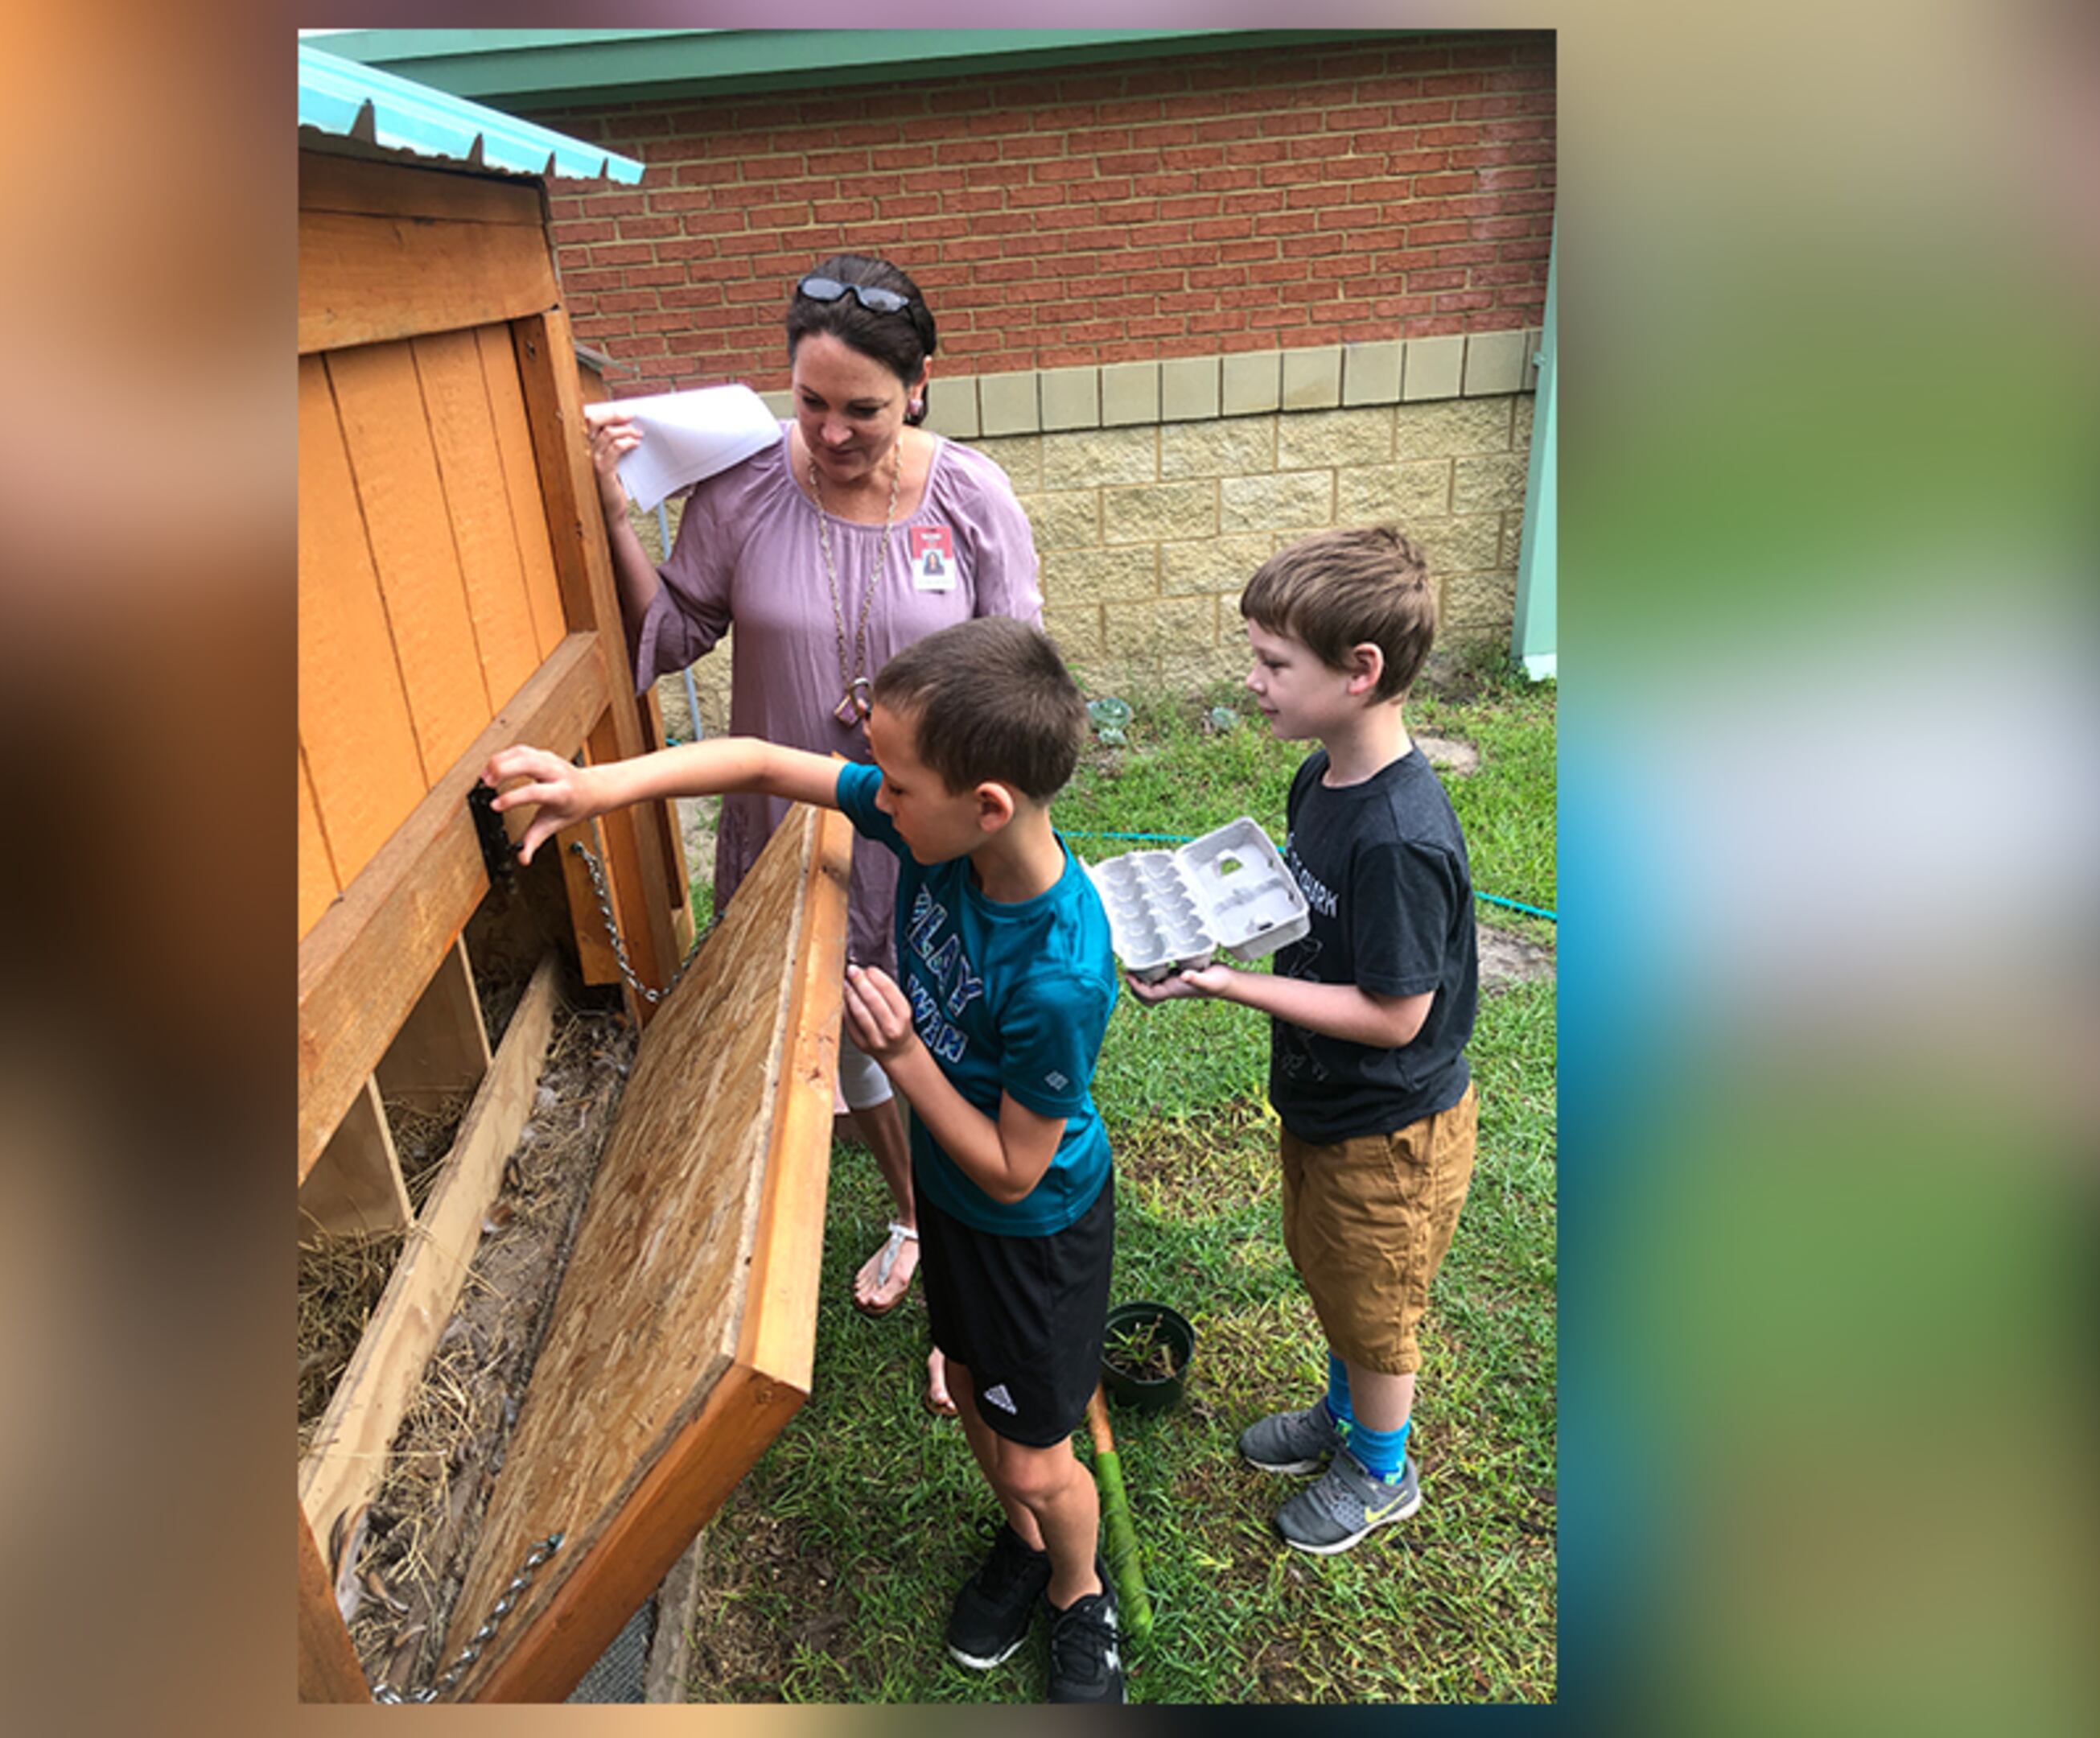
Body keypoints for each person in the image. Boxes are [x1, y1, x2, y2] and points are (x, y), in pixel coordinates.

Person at [483, 619, 1126, 1702]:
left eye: (898, 781)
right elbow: (765, 761)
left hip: (1036, 1231)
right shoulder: (943, 823)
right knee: (970, 1393)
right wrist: (597, 790)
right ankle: (1021, 1539)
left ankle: (1076, 1588)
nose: (877, 791)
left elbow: (1019, 1166)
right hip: (962, 1208)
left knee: (1034, 1456)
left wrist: (906, 1056)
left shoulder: (1060, 970)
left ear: (987, 808)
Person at [584, 254, 1043, 1419]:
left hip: (930, 843)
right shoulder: (740, 490)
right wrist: (611, 513)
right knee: (835, 1035)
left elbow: (1020, 682)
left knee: (938, 1041)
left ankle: (973, 1263)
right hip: (792, 823)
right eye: (813, 404)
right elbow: (681, 628)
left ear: (922, 386)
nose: (834, 433)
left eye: (865, 409)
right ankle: (907, 1216)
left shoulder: (971, 500)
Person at [1126, 526, 1480, 1555]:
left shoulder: (1399, 836)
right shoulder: (1320, 780)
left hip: (1392, 1131)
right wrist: (1209, 913)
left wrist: (1230, 985)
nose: (1254, 682)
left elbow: (1398, 1012)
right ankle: (1344, 1418)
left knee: (1375, 1303)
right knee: (1331, 1271)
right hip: (1327, 1106)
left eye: (1275, 663)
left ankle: (1381, 1467)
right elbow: (1296, 911)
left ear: (1360, 673)